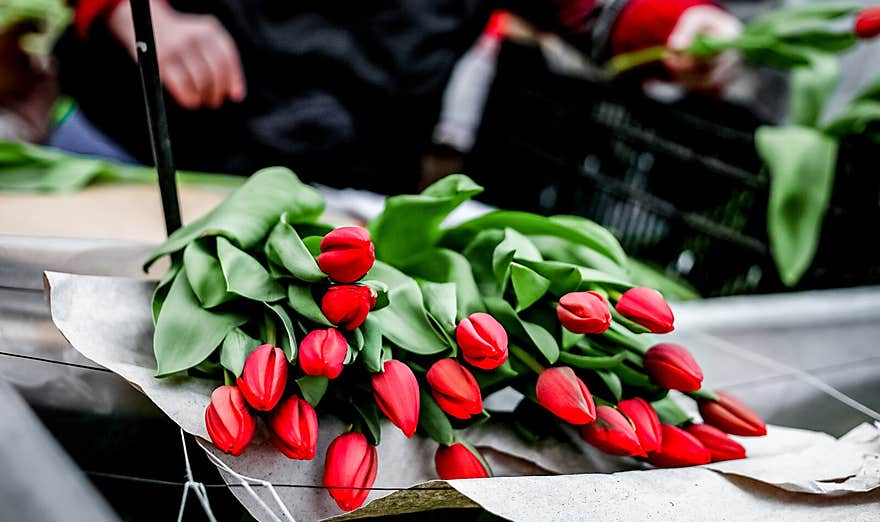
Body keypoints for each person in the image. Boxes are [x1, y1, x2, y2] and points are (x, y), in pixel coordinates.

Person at [55, 1, 742, 192]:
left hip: (333, 192)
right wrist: (130, 10)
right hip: (133, 149)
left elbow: (593, 11)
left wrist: (674, 27)